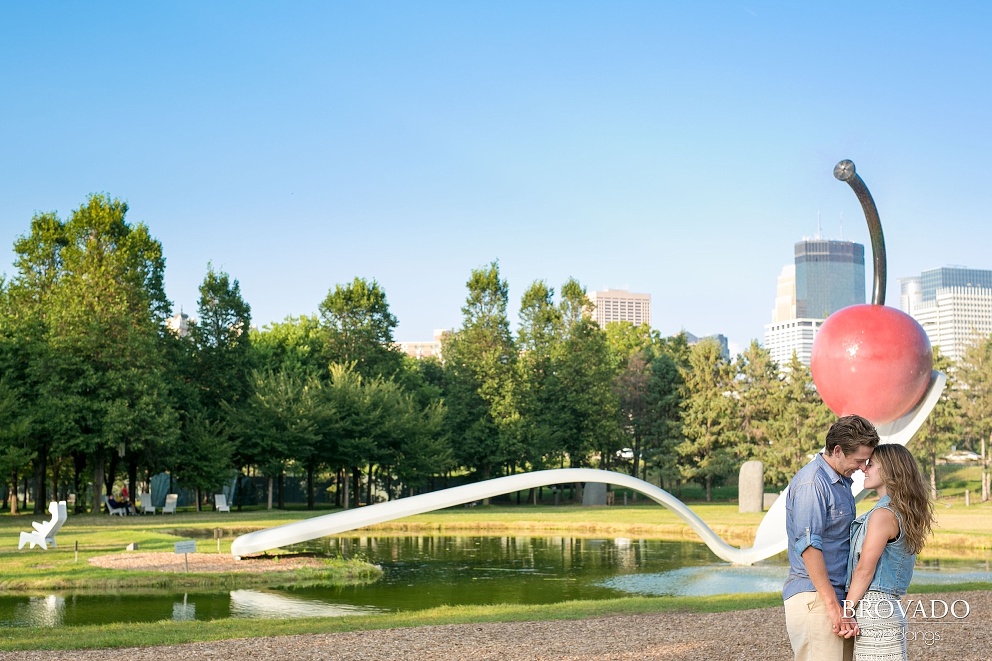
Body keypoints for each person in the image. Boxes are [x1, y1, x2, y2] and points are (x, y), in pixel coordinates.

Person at [784, 414, 879, 661]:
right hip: (816, 599)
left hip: (836, 599)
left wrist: (845, 605)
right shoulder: (813, 484)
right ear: (837, 450)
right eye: (859, 460)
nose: (862, 467)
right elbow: (809, 548)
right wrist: (833, 607)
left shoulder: (841, 482)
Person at [843, 443, 934, 660]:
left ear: (889, 470)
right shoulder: (900, 511)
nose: (864, 469)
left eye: (871, 464)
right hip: (887, 609)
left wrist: (846, 611)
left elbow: (865, 569)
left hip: (874, 610)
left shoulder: (883, 515)